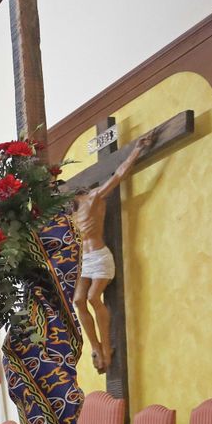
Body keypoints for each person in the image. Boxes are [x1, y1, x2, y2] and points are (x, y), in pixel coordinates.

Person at [71, 127, 159, 373]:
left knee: (91, 298)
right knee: (78, 301)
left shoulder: (95, 197)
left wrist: (137, 150)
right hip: (84, 261)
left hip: (100, 257)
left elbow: (119, 175)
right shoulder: (72, 213)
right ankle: (97, 347)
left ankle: (106, 347)